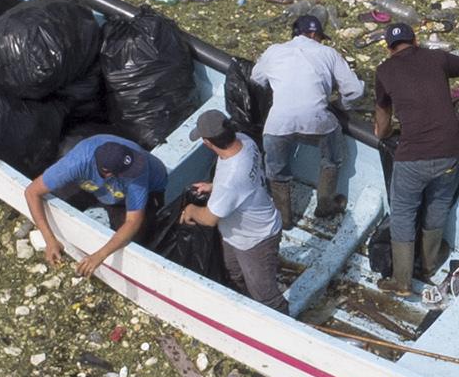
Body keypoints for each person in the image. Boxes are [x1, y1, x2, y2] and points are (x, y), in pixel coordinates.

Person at [371, 19, 459, 295]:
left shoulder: (384, 71)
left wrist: (383, 131)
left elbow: (382, 123)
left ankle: (401, 281)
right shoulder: (436, 58)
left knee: (403, 212)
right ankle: (428, 264)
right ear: (416, 41)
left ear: (389, 48)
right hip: (449, 154)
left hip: (412, 158)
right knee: (438, 203)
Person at [250, 11, 364, 229]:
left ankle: (283, 219)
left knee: (277, 171)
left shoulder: (274, 51)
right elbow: (355, 90)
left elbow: (257, 79)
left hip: (277, 123)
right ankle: (325, 205)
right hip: (317, 120)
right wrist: (342, 105)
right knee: (332, 159)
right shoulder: (328, 53)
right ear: (314, 35)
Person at [176, 109, 284, 306]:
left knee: (266, 296)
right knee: (233, 272)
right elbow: (241, 186)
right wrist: (212, 188)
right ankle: (248, 305)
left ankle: (282, 324)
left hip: (256, 239)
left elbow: (209, 219)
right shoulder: (245, 142)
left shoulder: (230, 182)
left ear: (208, 143)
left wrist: (191, 209)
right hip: (236, 234)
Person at [25, 134, 158, 279]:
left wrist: (99, 255)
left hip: (147, 191)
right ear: (107, 173)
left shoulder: (137, 169)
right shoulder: (76, 163)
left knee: (137, 237)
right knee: (58, 196)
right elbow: (32, 192)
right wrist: (50, 240)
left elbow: (132, 222)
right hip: (97, 187)